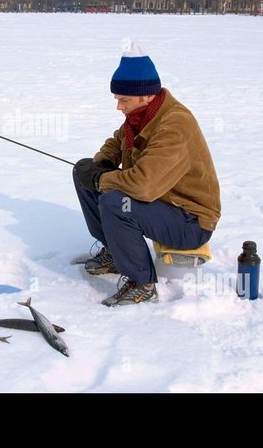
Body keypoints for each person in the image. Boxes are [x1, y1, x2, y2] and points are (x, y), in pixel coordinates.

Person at [73, 45, 221, 306]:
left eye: (124, 100)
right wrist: (100, 165)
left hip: (190, 219)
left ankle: (142, 283)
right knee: (84, 171)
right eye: (117, 99)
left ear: (146, 95)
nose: (119, 106)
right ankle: (115, 253)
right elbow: (116, 142)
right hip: (163, 204)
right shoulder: (141, 115)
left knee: (115, 201)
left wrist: (100, 179)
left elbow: (143, 186)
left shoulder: (175, 123)